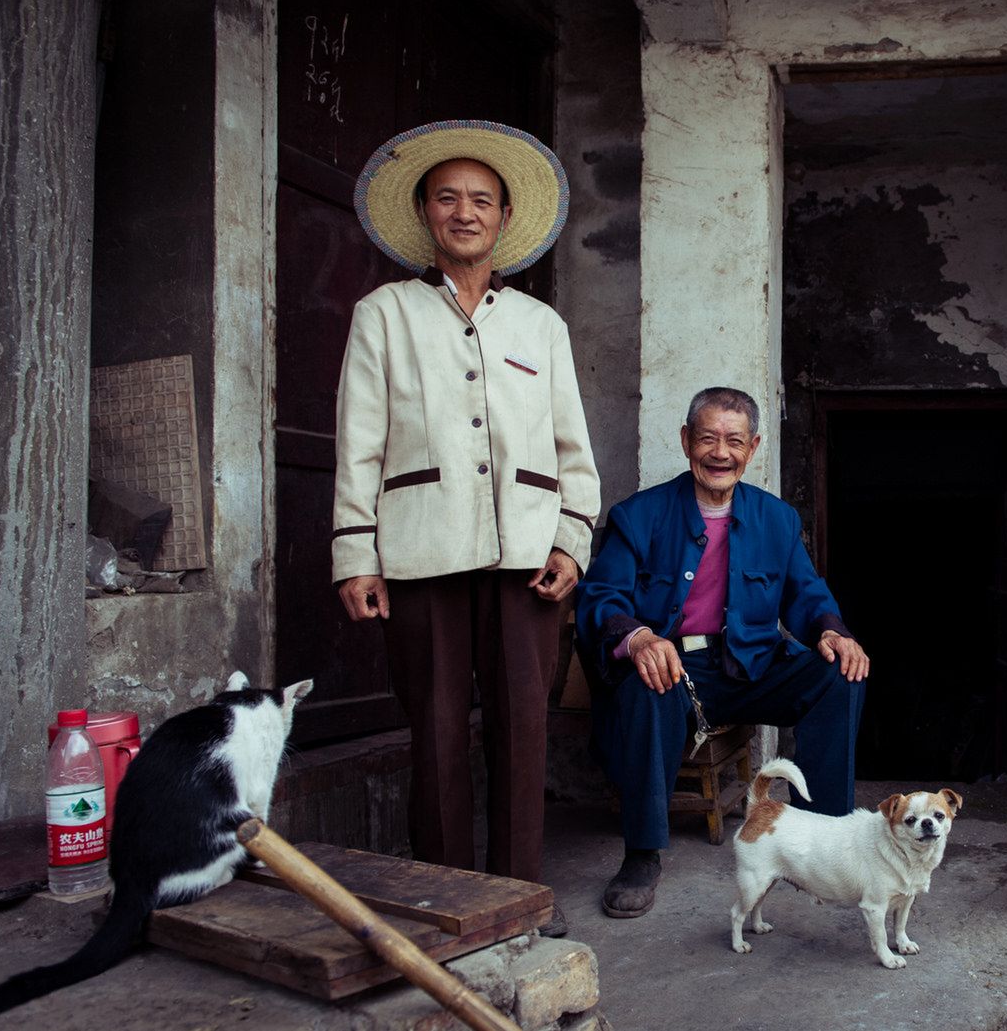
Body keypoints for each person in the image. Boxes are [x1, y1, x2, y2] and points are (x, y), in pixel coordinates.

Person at [332, 120, 600, 937]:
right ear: (425, 212)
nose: (464, 211)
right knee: (438, 731)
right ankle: (444, 903)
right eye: (447, 196)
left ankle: (518, 902)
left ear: (503, 216)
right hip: (421, 549)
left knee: (523, 732)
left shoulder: (541, 326)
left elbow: (573, 450)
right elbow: (359, 440)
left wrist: (571, 541)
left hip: (528, 557)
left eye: (481, 198)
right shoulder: (384, 313)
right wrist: (355, 552)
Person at [575, 387, 869, 919]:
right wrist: (638, 636)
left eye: (734, 441)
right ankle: (642, 855)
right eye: (707, 437)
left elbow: (805, 593)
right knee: (646, 684)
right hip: (675, 668)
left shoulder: (777, 519)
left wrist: (830, 630)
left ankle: (822, 837)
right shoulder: (639, 515)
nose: (720, 452)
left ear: (752, 448)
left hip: (751, 665)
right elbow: (601, 596)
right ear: (686, 441)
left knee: (841, 675)